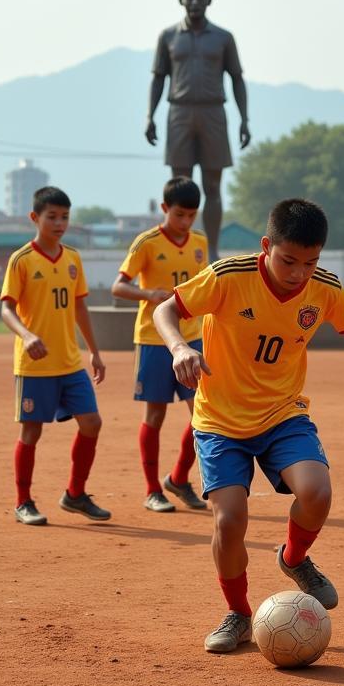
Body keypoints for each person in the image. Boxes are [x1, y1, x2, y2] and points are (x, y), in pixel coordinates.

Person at [153, 198, 344, 653]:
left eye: (310, 262)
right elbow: (165, 311)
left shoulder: (322, 287)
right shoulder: (229, 276)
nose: (298, 273)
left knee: (317, 492)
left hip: (283, 413)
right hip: (220, 420)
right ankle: (238, 614)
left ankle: (294, 558)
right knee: (229, 522)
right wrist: (178, 349)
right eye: (288, 260)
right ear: (266, 246)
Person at [1, 186, 110, 525]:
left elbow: (79, 306)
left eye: (65, 217)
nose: (59, 223)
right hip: (34, 366)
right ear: (35, 218)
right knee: (31, 432)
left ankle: (74, 494)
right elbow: (6, 309)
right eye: (52, 216)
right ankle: (24, 502)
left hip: (69, 362)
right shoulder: (22, 259)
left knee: (92, 423)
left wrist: (93, 351)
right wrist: (27, 334)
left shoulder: (73, 258)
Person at [111, 176, 210, 513]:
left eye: (192, 215)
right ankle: (153, 489)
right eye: (180, 214)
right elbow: (118, 286)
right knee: (154, 415)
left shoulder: (199, 242)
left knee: (203, 413)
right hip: (155, 339)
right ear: (165, 208)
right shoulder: (147, 242)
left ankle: (179, 478)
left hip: (192, 338)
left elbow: (204, 286)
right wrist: (147, 294)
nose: (185, 222)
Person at [145, 0, 250, 261]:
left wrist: (244, 119)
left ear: (209, 1)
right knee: (180, 185)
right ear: (181, 1)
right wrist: (150, 116)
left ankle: (212, 249)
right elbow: (158, 78)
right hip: (179, 111)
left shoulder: (223, 38)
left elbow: (237, 78)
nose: (194, 3)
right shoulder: (168, 36)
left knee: (213, 185)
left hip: (213, 111)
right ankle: (179, 245)